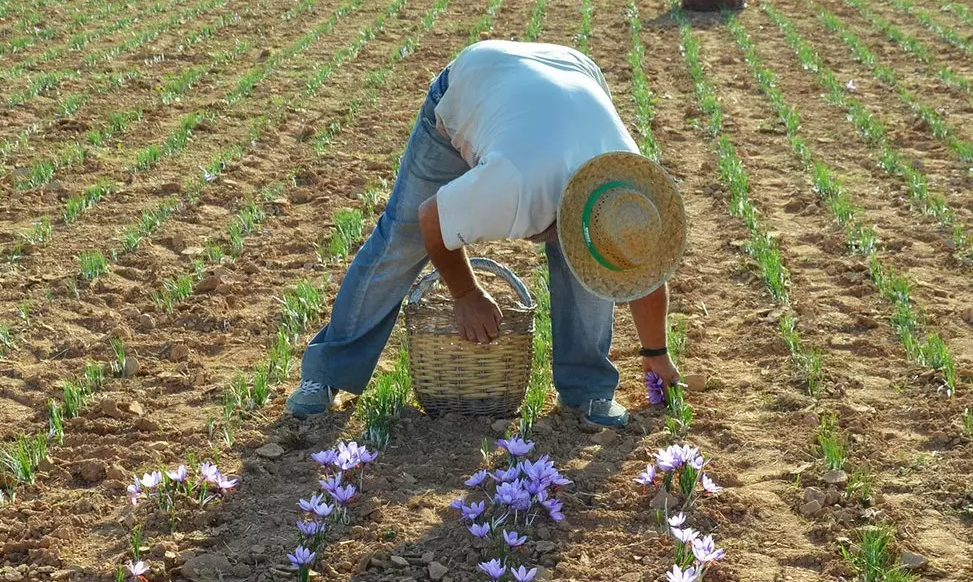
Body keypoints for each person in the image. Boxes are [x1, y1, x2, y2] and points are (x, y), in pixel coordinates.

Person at [286, 40, 686, 428]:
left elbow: (642, 272)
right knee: (403, 235)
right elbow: (432, 220)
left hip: (572, 75)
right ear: (546, 218)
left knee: (593, 261)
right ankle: (327, 372)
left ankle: (587, 390)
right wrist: (467, 294)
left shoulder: (627, 196)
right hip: (476, 81)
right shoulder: (512, 185)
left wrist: (657, 353)